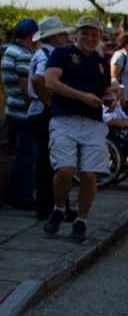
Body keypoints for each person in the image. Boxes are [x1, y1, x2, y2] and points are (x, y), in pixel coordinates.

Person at [42, 16, 112, 244]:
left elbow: (104, 90)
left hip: (92, 123)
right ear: (76, 34)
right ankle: (59, 207)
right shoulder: (61, 54)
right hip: (64, 119)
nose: (90, 38)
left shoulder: (102, 63)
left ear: (99, 37)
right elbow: (50, 82)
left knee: (89, 174)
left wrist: (110, 97)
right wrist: (82, 96)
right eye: (85, 33)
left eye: (94, 34)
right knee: (65, 169)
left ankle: (81, 220)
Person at [28, 17, 71, 220]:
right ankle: (48, 207)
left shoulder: (43, 52)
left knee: (52, 160)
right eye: (62, 34)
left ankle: (55, 205)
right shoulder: (48, 55)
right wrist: (50, 104)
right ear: (55, 37)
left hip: (40, 111)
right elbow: (38, 79)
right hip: (43, 112)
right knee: (51, 160)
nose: (65, 38)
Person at [3, 18, 39, 211]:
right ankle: (24, 195)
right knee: (27, 155)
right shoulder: (24, 56)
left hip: (12, 109)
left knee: (20, 154)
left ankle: (13, 193)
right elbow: (26, 87)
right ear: (32, 35)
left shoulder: (10, 51)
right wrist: (33, 109)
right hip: (24, 113)